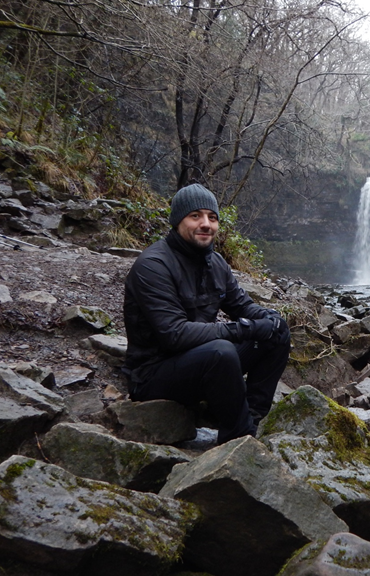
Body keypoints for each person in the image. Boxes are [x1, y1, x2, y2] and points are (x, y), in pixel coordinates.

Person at [122, 183, 290, 444]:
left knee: (277, 332)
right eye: (195, 216)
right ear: (178, 221)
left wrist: (270, 318)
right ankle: (238, 438)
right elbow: (175, 334)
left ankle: (251, 418)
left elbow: (242, 306)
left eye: (212, 218)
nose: (206, 224)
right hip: (154, 374)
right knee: (221, 352)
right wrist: (244, 328)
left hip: (200, 363)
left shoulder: (216, 263)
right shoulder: (153, 266)